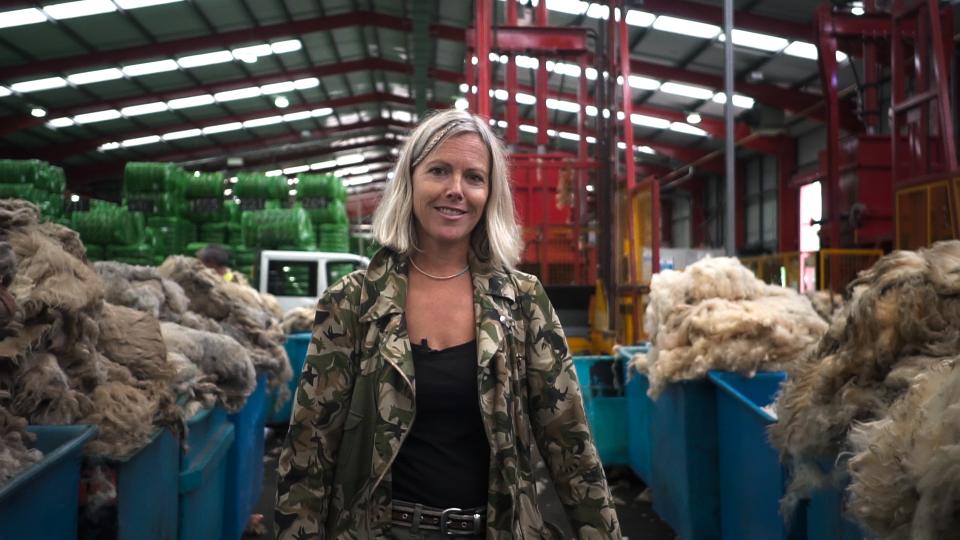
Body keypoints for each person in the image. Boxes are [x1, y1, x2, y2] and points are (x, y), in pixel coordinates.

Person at [275, 109, 621, 539]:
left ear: (490, 193)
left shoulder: (522, 302)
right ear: (410, 181)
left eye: (474, 177)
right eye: (439, 170)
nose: (456, 190)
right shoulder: (353, 302)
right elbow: (310, 449)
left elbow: (569, 441)